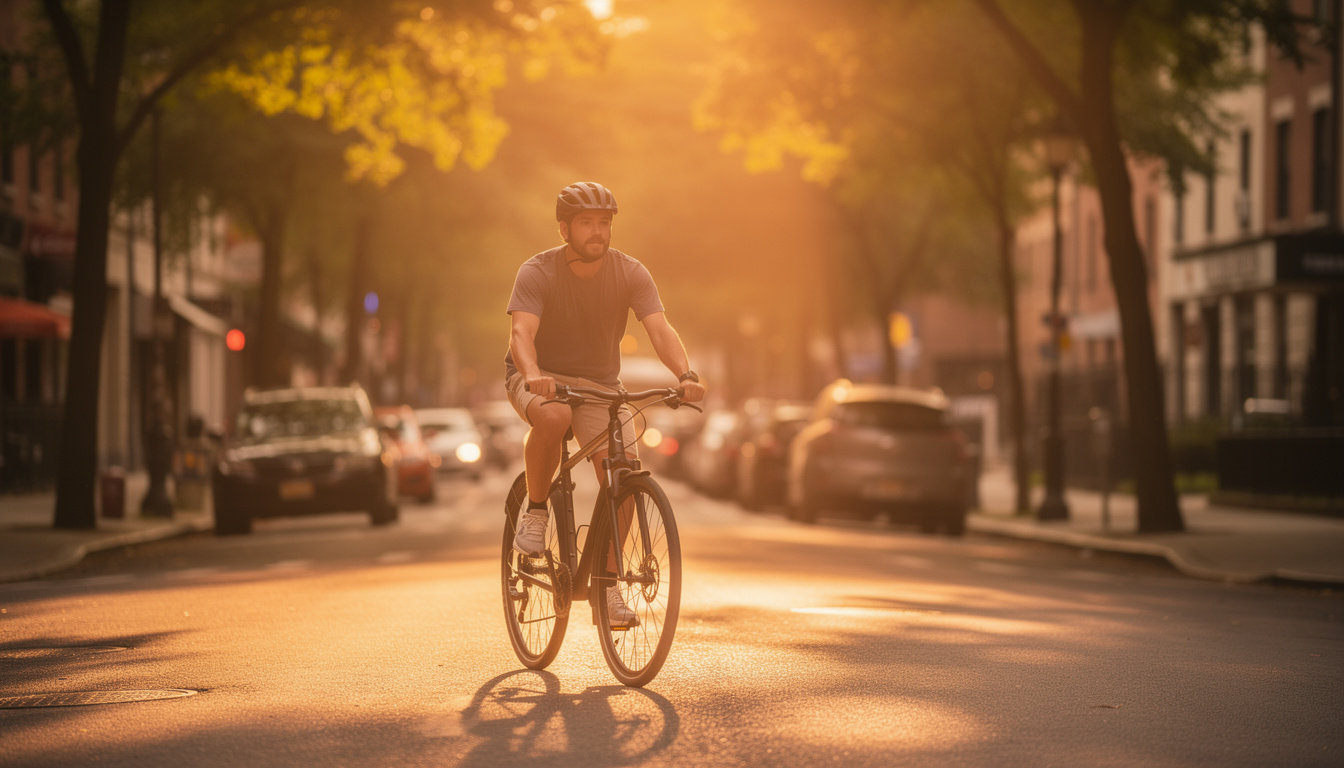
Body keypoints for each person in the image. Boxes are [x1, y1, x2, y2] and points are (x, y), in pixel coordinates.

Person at [504, 181, 707, 626]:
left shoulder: (630, 272)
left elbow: (660, 329)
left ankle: (608, 589)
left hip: (599, 384)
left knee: (624, 475)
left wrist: (685, 375)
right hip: (539, 377)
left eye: (603, 223)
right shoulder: (537, 271)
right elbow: (521, 334)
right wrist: (535, 375)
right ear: (564, 230)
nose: (597, 232)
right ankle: (536, 511)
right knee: (554, 417)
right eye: (586, 224)